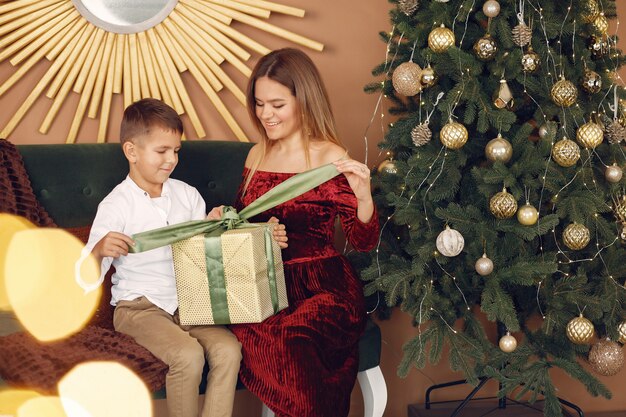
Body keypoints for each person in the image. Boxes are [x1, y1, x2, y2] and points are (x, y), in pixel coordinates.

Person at [210, 48, 380, 417]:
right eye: (258, 104)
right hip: (264, 284)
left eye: (276, 104)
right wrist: (231, 220)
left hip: (323, 285)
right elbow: (244, 220)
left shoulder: (330, 157)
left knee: (294, 338)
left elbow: (362, 241)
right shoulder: (256, 154)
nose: (265, 115)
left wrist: (364, 197)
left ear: (303, 101)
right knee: (259, 334)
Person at [82, 98, 247, 417]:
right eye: (162, 151)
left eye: (176, 151)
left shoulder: (187, 196)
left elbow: (204, 256)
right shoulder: (116, 206)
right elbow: (87, 275)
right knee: (187, 354)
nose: (171, 159)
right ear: (132, 151)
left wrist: (214, 227)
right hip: (138, 308)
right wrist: (100, 249)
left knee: (228, 350)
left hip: (189, 303)